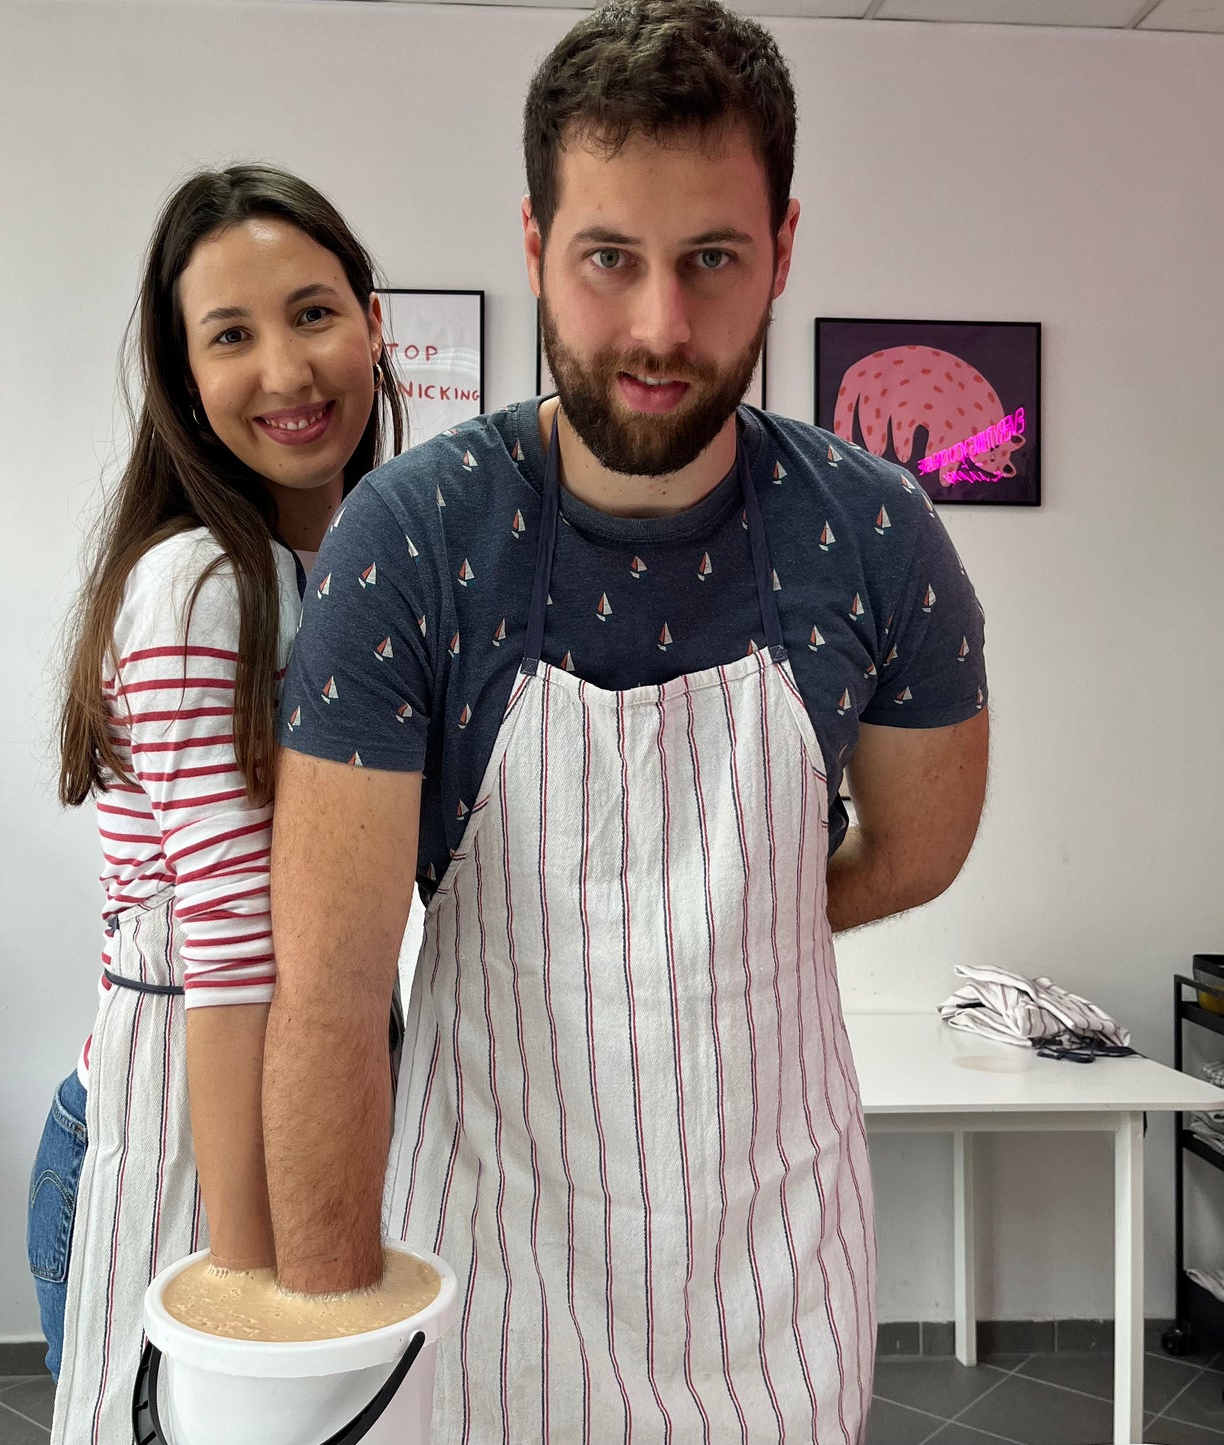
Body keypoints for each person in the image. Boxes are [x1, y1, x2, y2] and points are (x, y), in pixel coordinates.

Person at [263, 2, 990, 1439]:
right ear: (534, 244)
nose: (659, 325)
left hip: (774, 1273)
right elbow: (334, 999)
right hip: (482, 1259)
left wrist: (720, 932)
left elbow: (916, 848)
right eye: (608, 259)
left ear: (782, 247)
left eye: (711, 259)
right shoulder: (410, 539)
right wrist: (332, 1347)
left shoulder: (879, 534)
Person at [26, 163, 403, 1444]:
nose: (287, 372)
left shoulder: (338, 567)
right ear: (186, 380)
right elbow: (232, 944)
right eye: (230, 336)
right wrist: (254, 1283)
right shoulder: (202, 584)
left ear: (370, 320)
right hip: (187, 1131)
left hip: (273, 1115)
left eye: (311, 314)